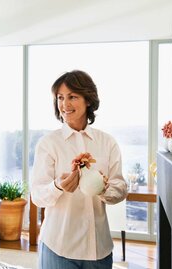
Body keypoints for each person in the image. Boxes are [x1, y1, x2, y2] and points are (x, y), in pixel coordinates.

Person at [31, 70, 128, 269]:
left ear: (88, 100)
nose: (64, 104)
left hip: (98, 250)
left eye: (72, 97)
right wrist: (58, 186)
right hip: (58, 247)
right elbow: (37, 196)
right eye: (60, 98)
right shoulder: (48, 144)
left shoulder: (107, 143)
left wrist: (102, 188)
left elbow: (120, 189)